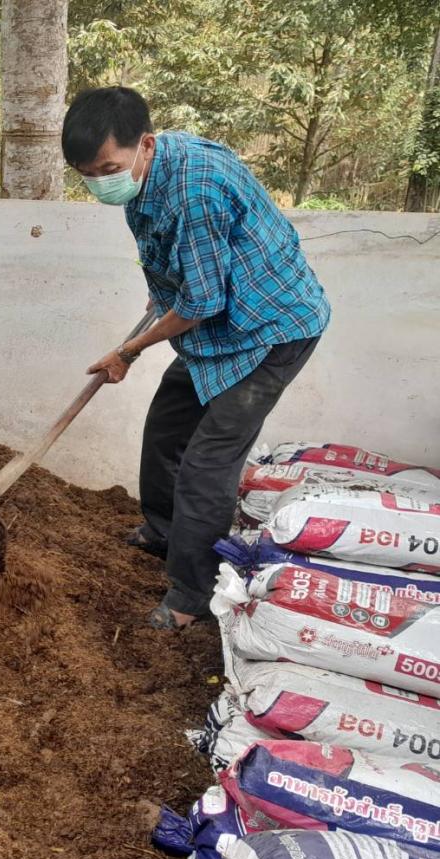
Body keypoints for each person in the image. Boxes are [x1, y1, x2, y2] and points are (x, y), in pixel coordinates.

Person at [61, 86, 330, 630]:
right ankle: (163, 531)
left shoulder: (194, 189)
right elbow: (186, 273)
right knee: (166, 428)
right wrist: (164, 291)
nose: (99, 181)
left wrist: (129, 351)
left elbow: (203, 301)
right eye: (87, 173)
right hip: (214, 331)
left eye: (107, 167)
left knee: (208, 465)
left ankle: (193, 593)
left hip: (268, 328)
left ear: (146, 145)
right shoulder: (145, 174)